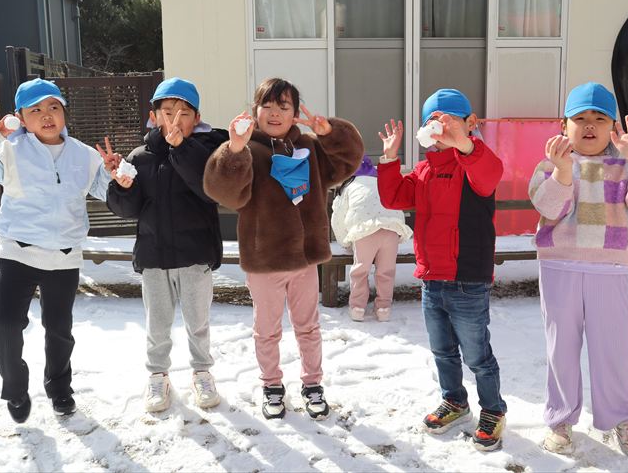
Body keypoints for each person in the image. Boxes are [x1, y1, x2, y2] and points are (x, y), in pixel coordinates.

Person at [0, 78, 120, 423]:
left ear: (64, 113)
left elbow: (110, 194)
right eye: (36, 110)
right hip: (18, 251)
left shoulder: (85, 155)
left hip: (63, 256)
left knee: (59, 330)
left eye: (54, 107)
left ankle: (59, 388)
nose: (47, 115)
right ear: (21, 118)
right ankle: (15, 388)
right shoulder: (9, 150)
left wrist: (116, 174)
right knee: (4, 324)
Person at [203, 78, 363, 421]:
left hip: (304, 260)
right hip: (265, 261)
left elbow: (349, 161)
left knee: (309, 328)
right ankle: (272, 386)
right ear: (255, 110)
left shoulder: (310, 148)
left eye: (284, 106)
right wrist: (233, 149)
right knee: (267, 331)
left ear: (294, 113)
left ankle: (312, 385)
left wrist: (329, 133)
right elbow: (224, 192)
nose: (275, 113)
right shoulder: (247, 150)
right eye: (268, 105)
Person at [528, 82, 628, 457]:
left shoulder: (625, 163)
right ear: (564, 125)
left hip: (610, 270)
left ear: (613, 127)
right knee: (561, 348)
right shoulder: (551, 163)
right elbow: (548, 208)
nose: (589, 125)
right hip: (559, 267)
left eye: (600, 118)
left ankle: (622, 417)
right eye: (580, 118)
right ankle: (561, 418)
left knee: (613, 350)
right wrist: (563, 172)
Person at [377, 88, 507, 452]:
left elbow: (490, 173)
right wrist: (389, 158)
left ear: (470, 123)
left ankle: (493, 409)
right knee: (443, 351)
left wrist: (462, 144)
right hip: (432, 279)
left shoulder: (474, 164)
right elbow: (393, 197)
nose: (440, 130)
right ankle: (455, 401)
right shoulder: (424, 170)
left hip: (468, 279)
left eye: (448, 122)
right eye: (433, 123)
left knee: (477, 355)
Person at [106, 77, 228, 413]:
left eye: (184, 113)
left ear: (197, 118)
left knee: (197, 322)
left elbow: (210, 191)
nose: (175, 119)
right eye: (168, 112)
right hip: (154, 256)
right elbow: (127, 210)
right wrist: (123, 187)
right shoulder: (140, 157)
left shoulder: (207, 153)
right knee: (157, 325)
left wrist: (181, 149)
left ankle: (202, 372)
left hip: (195, 255)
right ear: (154, 116)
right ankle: (157, 376)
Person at [331, 155, 413, 322]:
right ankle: (384, 308)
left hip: (364, 231)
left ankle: (357, 307)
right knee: (386, 271)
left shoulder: (350, 185)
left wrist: (344, 241)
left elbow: (338, 217)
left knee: (360, 270)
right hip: (391, 228)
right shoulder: (382, 181)